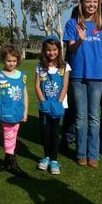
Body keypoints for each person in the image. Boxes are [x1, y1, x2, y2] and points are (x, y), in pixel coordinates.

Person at [62, 0, 102, 149]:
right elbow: (71, 43)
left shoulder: (101, 20)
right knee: (77, 112)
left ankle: (96, 146)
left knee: (95, 114)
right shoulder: (74, 16)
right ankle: (72, 138)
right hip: (78, 71)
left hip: (97, 72)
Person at [35, 36, 70, 175]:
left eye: (54, 50)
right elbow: (37, 85)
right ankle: (46, 157)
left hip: (58, 105)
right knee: (45, 132)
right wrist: (43, 101)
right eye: (48, 50)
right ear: (44, 51)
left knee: (55, 133)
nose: (52, 53)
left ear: (59, 50)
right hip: (44, 105)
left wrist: (58, 102)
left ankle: (54, 160)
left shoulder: (64, 66)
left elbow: (65, 85)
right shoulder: (40, 66)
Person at [0, 44, 28, 178]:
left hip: (18, 111)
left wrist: (25, 112)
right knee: (9, 136)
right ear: (3, 60)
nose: (11, 63)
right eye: (8, 60)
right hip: (5, 111)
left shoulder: (22, 75)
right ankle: (13, 164)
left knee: (12, 136)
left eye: (14, 61)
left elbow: (24, 94)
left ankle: (6, 161)